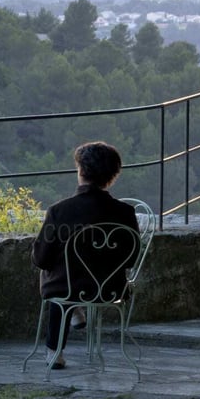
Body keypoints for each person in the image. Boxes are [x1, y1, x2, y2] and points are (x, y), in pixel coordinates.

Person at [31, 141, 140, 369]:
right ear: (112, 176)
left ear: (80, 171)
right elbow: (131, 258)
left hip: (69, 288)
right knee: (65, 271)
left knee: (49, 268)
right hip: (111, 289)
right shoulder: (125, 212)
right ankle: (76, 312)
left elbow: (41, 259)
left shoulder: (60, 211)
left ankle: (55, 349)